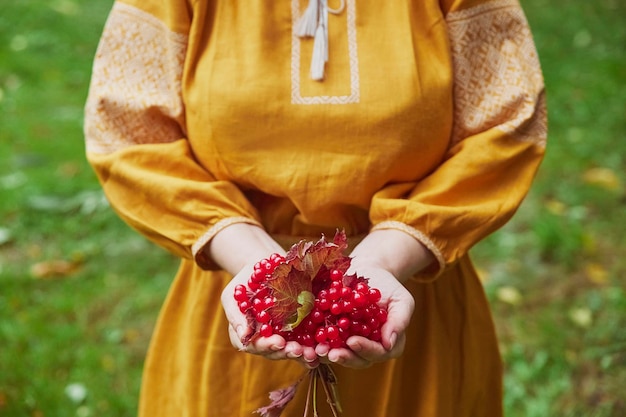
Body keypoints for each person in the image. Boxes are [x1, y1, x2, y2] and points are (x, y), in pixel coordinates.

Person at [84, 0, 547, 415]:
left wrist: (384, 257)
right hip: (237, 295)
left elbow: (504, 126)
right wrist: (257, 264)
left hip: (405, 298)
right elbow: (130, 136)